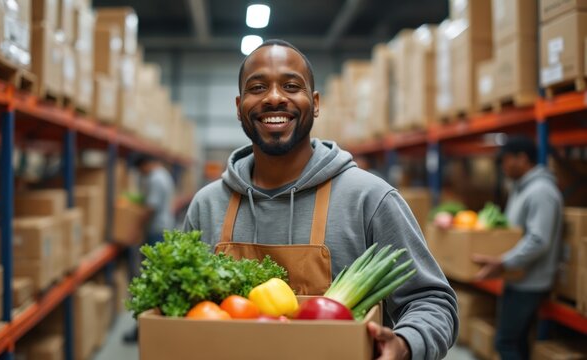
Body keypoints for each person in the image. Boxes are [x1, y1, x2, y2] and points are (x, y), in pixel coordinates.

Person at [183, 39, 458, 359]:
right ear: (238, 106)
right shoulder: (207, 206)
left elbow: (432, 301)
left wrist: (406, 343)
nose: (273, 98)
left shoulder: (370, 199)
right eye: (257, 88)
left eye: (290, 85)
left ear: (314, 103)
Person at [473, 136, 563, 360]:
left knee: (505, 342)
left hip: (529, 281)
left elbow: (539, 240)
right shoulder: (521, 188)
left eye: (506, 161)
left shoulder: (541, 192)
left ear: (522, 159)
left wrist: (504, 262)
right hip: (517, 277)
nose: (503, 167)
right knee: (518, 340)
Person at [123, 153, 176, 343]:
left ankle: (144, 327)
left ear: (145, 165)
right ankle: (149, 325)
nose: (141, 174)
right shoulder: (164, 174)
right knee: (156, 277)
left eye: (140, 170)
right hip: (163, 229)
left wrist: (134, 226)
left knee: (149, 279)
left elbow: (151, 207)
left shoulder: (155, 178)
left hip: (156, 232)